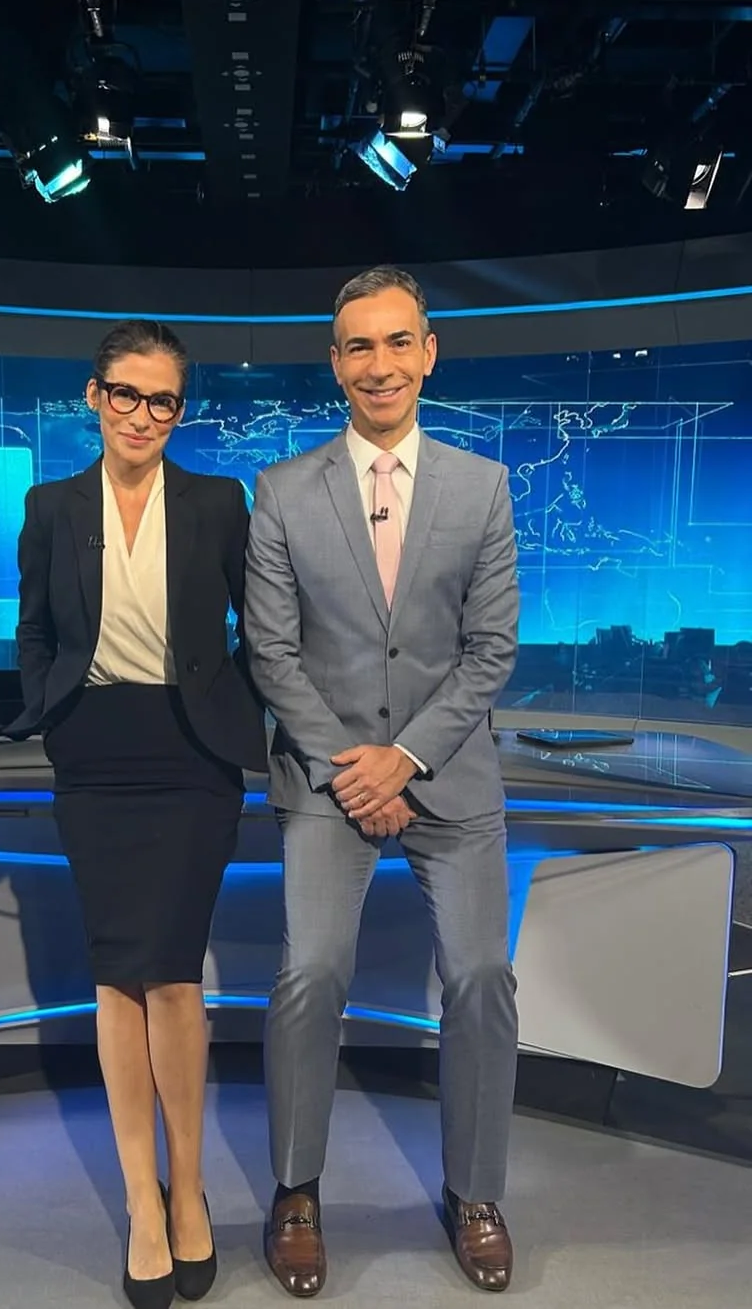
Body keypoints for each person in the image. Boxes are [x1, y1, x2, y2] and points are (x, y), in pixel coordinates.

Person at [244, 266, 521, 1296]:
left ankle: (474, 1192)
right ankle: (295, 1189)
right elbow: (273, 655)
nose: (380, 364)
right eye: (359, 346)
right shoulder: (283, 491)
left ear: (428, 353)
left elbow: (490, 651)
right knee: (312, 971)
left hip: (451, 777)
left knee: (482, 976)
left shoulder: (482, 487)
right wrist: (353, 768)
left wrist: (406, 757)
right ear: (335, 363)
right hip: (328, 778)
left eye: (398, 342)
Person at [9, 319, 267, 1309]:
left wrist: (234, 710)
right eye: (127, 393)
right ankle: (141, 1203)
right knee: (118, 976)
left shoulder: (217, 502)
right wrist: (53, 713)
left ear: (179, 409)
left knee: (173, 977)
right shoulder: (50, 505)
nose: (143, 415)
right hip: (95, 758)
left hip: (191, 758)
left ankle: (189, 1189)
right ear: (95, 395)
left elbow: (261, 626)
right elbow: (34, 630)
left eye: (163, 400)